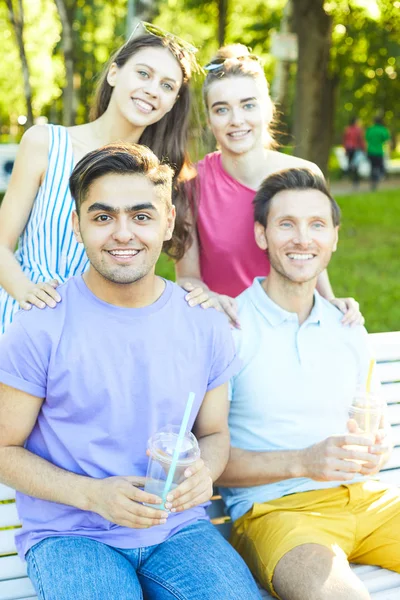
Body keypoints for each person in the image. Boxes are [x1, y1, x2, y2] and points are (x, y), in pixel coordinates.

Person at [0, 143, 262, 600]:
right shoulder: (41, 325)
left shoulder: (203, 322)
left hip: (178, 530)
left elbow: (215, 435)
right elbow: (4, 448)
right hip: (72, 535)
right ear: (78, 226)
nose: (123, 233)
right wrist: (92, 495)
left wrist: (205, 473)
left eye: (141, 216)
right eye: (103, 217)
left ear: (167, 224)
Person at [217, 168, 400, 600]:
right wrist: (303, 461)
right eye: (287, 224)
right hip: (277, 512)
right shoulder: (229, 329)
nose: (303, 239)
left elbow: (376, 427)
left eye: (316, 225)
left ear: (333, 237)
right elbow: (209, 463)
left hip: (369, 501)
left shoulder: (347, 325)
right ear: (262, 235)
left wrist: (377, 450)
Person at [0, 22, 199, 335]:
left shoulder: (160, 175)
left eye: (167, 85)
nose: (151, 89)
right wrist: (26, 293)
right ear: (115, 73)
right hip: (23, 323)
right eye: (144, 74)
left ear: (174, 101)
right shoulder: (46, 144)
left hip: (101, 336)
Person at [176, 44, 362, 328]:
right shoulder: (191, 185)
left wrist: (330, 300)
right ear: (210, 120)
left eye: (248, 105)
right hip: (230, 329)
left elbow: (310, 250)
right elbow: (187, 276)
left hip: (296, 328)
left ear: (268, 110)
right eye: (221, 109)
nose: (236, 120)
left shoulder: (304, 175)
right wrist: (212, 300)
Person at [365, 116, 391, 190]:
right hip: (379, 152)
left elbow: (366, 141)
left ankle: (373, 181)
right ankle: (377, 179)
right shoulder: (383, 130)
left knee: (373, 167)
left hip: (370, 151)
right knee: (380, 167)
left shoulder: (370, 129)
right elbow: (387, 141)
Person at [342, 116, 365, 187]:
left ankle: (350, 177)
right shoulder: (358, 130)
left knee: (351, 164)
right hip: (355, 149)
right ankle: (355, 180)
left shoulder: (347, 129)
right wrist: (363, 148)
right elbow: (360, 139)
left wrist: (345, 149)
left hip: (349, 149)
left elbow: (344, 140)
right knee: (355, 165)